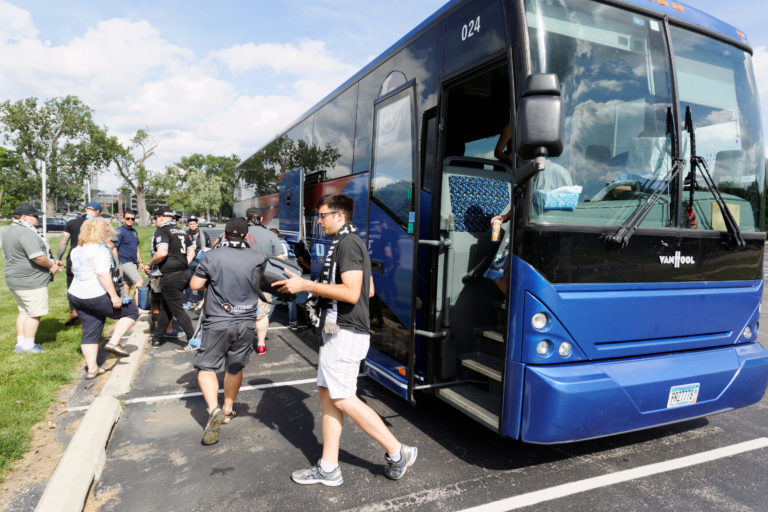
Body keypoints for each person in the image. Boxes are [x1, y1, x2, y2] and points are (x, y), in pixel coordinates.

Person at [274, 193, 417, 486]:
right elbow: (370, 290)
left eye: (323, 215)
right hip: (339, 331)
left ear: (339, 216)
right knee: (329, 397)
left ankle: (397, 451)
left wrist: (307, 285)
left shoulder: (347, 244)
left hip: (346, 332)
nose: (319, 221)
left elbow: (353, 293)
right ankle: (328, 467)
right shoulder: (351, 242)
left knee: (342, 397)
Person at [189, 218, 266, 445]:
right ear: (245, 236)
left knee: (206, 366)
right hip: (246, 321)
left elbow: (195, 285)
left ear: (224, 234)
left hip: (218, 321)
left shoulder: (213, 256)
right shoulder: (257, 257)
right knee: (234, 366)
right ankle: (228, 408)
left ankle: (214, 410)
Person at [67, 218, 138, 378]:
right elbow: (102, 274)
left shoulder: (77, 249)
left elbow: (73, 270)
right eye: (107, 229)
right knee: (131, 311)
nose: (109, 232)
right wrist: (114, 296)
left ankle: (92, 369)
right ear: (101, 231)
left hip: (76, 295)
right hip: (95, 294)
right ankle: (114, 342)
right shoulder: (100, 250)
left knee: (90, 330)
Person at [2, 202, 62, 353]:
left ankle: (20, 345)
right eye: (35, 216)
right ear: (24, 217)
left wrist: (53, 262)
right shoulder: (26, 233)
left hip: (15, 278)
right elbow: (37, 257)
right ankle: (29, 346)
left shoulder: (10, 230)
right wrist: (51, 266)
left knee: (24, 311)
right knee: (34, 313)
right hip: (30, 280)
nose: (38, 219)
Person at [143, 209, 196, 349]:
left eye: (156, 217)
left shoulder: (162, 231)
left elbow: (161, 253)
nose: (155, 220)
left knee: (177, 309)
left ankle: (193, 340)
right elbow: (192, 251)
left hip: (171, 275)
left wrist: (149, 264)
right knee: (166, 307)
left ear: (161, 218)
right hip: (183, 273)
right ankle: (157, 338)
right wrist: (185, 263)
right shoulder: (181, 231)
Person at [244, 207, 284, 354]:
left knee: (240, 313)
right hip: (263, 281)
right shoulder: (271, 235)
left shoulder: (237, 234)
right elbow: (280, 260)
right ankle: (261, 345)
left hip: (240, 280)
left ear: (246, 219)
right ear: (261, 219)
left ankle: (243, 344)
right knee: (261, 315)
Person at [58, 201, 102, 326]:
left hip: (73, 258)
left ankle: (73, 310)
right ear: (97, 212)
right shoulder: (97, 224)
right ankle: (86, 316)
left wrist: (58, 258)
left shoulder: (72, 223)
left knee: (72, 285)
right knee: (89, 285)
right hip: (90, 258)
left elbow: (63, 243)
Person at [113, 210, 143, 301]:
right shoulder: (119, 231)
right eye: (128, 218)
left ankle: (124, 308)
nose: (130, 220)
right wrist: (117, 264)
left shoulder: (134, 231)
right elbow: (114, 248)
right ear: (123, 219)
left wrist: (140, 262)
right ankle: (138, 308)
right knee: (139, 281)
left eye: (132, 219)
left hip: (133, 262)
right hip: (125, 262)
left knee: (127, 285)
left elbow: (136, 247)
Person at [183, 215, 210, 308]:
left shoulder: (204, 234)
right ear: (188, 224)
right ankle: (189, 300)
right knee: (188, 281)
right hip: (189, 261)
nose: (193, 225)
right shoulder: (184, 234)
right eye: (191, 224)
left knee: (200, 281)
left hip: (200, 261)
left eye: (194, 224)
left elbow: (208, 248)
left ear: (197, 224)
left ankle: (199, 299)